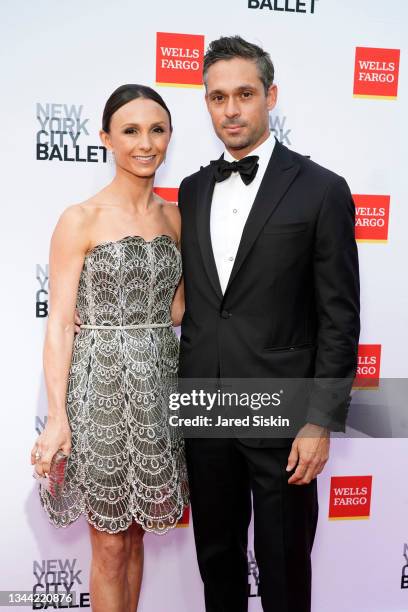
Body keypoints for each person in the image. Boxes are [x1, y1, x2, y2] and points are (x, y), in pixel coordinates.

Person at [178, 36, 360, 612]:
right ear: (206, 103)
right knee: (217, 562)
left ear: (270, 96)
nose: (230, 109)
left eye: (244, 94)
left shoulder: (322, 190)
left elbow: (339, 316)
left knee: (284, 568)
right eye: (217, 97)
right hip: (205, 409)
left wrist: (320, 422)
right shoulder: (191, 190)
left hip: (283, 417)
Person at [31, 84, 189, 612]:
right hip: (98, 389)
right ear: (106, 139)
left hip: (160, 387)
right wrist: (57, 419)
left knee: (138, 531)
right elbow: (58, 324)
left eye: (157, 130)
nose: (146, 143)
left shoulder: (175, 219)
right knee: (109, 542)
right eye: (130, 131)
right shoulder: (81, 219)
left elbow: (180, 312)